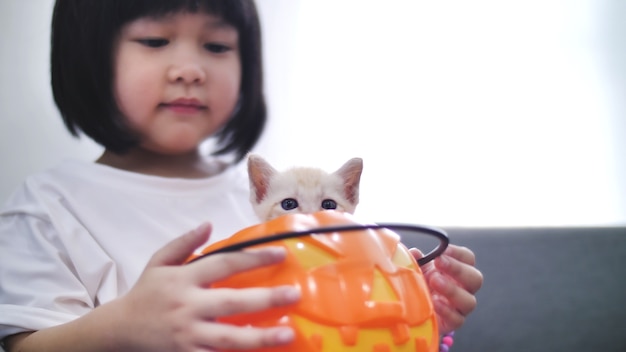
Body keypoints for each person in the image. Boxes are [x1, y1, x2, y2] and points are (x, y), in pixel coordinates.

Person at [0, 0, 483, 351]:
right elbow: (24, 343)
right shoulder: (48, 206)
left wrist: (408, 312)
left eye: (216, 45)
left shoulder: (270, 197)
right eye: (154, 40)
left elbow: (328, 320)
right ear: (85, 58)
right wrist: (125, 325)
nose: (190, 69)